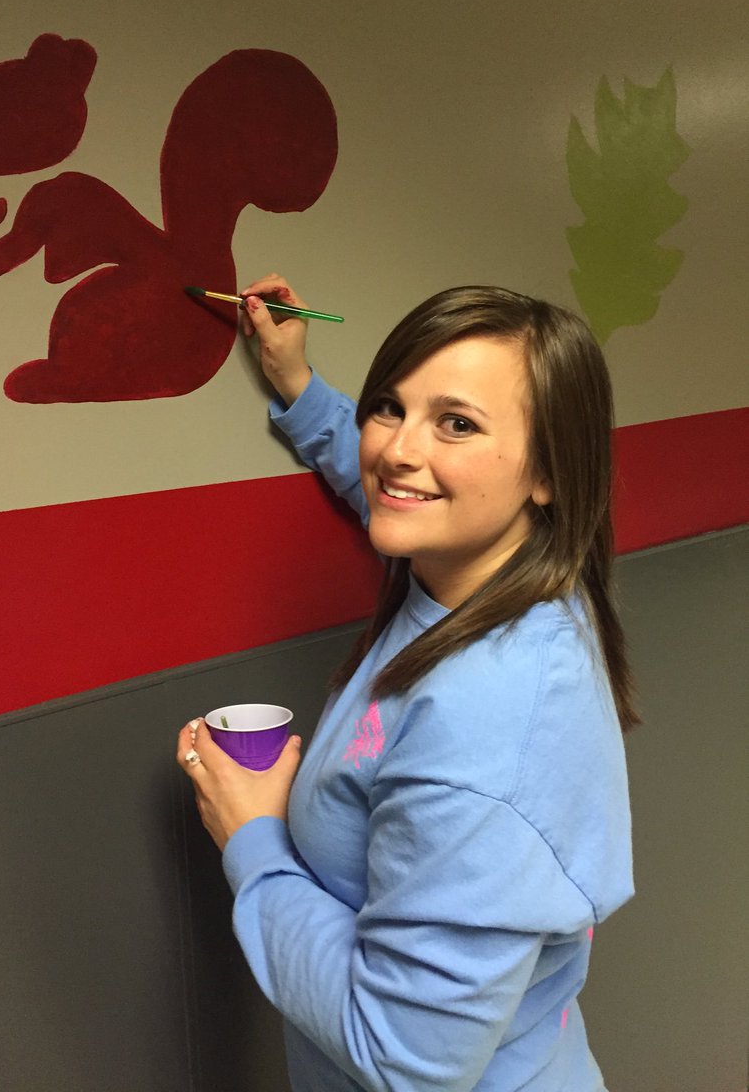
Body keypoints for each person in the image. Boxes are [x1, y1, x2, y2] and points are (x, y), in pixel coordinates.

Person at [177, 274, 638, 1092]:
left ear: (550, 474)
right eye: (390, 407)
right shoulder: (499, 570)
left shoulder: (493, 712)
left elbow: (404, 1059)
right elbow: (391, 489)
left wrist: (255, 841)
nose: (399, 448)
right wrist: (299, 386)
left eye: (456, 423)